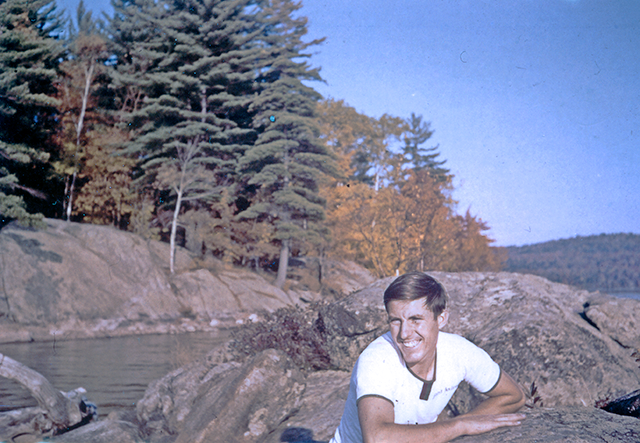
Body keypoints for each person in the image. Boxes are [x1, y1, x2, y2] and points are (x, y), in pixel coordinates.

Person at [329, 272, 525, 443]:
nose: (404, 333)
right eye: (396, 321)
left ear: (441, 318)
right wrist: (459, 426)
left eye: (416, 319)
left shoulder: (459, 351)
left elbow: (513, 396)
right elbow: (378, 438)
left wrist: (469, 422)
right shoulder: (377, 358)